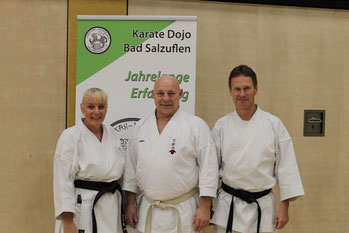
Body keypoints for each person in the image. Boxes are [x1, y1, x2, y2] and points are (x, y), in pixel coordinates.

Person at [210, 65, 304, 233]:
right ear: (230, 91)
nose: (242, 94)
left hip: (263, 207)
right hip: (228, 208)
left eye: (247, 88)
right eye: (237, 89)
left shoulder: (274, 125)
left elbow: (287, 167)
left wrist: (284, 206)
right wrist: (206, 205)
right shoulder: (221, 126)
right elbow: (209, 169)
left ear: (256, 89)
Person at [123, 75, 218, 233]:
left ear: (180, 94)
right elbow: (131, 168)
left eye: (171, 93)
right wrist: (130, 203)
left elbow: (209, 168)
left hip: (184, 210)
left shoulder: (195, 125)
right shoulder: (141, 127)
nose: (166, 98)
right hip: (148, 209)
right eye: (160, 93)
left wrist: (205, 206)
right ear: (153, 94)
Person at [53, 88, 127, 233]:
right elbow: (62, 180)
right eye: (91, 107)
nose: (96, 112)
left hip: (111, 206)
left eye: (101, 107)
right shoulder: (70, 136)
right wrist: (67, 220)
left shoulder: (112, 134)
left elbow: (121, 173)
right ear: (82, 108)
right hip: (82, 207)